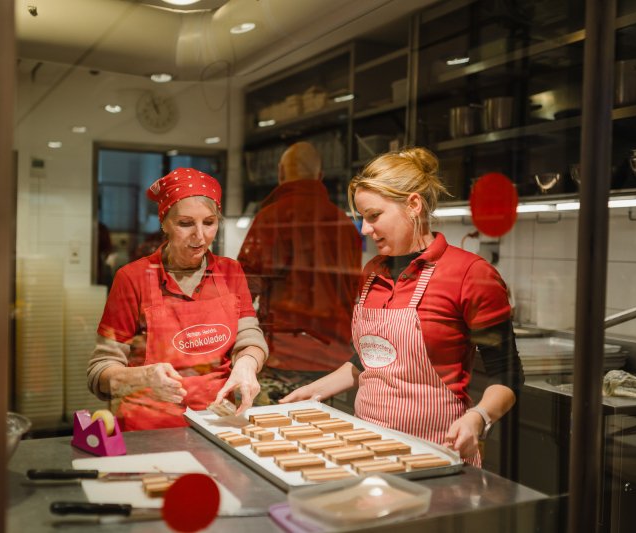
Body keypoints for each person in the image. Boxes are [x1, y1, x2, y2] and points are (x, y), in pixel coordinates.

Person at [281, 148, 524, 466]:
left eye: (373, 216)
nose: (365, 229)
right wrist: (312, 391)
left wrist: (478, 417)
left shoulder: (470, 273)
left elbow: (507, 373)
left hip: (435, 453)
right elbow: (368, 361)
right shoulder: (372, 273)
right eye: (362, 218)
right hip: (365, 447)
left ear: (413, 205)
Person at [87, 168, 269, 431]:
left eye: (209, 222)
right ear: (164, 223)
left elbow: (249, 336)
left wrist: (247, 364)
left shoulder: (230, 272)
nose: (200, 235)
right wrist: (143, 377)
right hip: (150, 429)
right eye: (185, 223)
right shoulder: (133, 278)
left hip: (218, 424)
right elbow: (100, 372)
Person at [237, 141, 362, 403]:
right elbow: (354, 291)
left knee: (275, 437)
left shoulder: (269, 218)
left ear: (281, 173)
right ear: (320, 176)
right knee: (328, 437)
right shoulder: (345, 223)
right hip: (336, 362)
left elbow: (244, 289)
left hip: (282, 354)